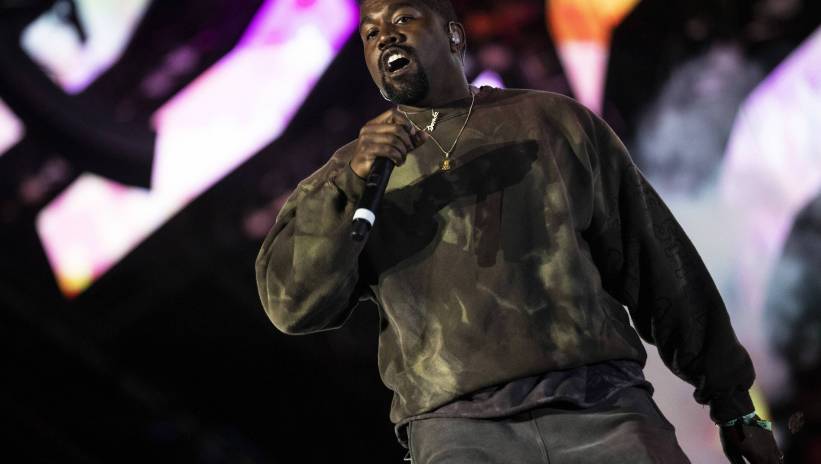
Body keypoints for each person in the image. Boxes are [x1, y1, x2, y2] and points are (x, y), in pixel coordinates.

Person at [254, 0, 784, 462]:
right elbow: (291, 304)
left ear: (454, 35)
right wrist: (349, 185)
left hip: (604, 412)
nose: (385, 36)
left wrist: (734, 404)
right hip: (459, 433)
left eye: (403, 19)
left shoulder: (552, 122)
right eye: (370, 33)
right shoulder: (354, 171)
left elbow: (660, 264)